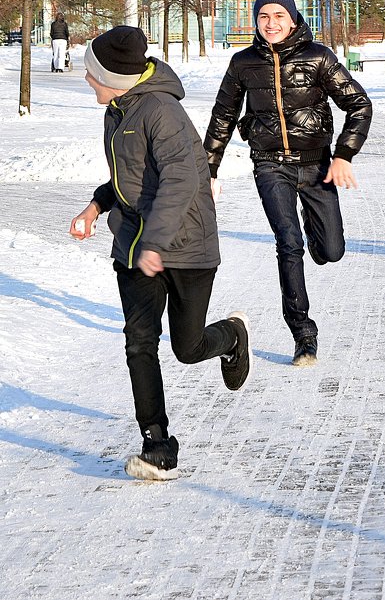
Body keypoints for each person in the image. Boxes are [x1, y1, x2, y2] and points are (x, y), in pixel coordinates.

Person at [69, 25, 251, 481]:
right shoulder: (118, 108)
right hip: (134, 245)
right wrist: (96, 207)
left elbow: (181, 181)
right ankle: (157, 444)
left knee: (187, 349)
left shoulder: (161, 111)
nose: (87, 81)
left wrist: (156, 243)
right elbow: (130, 177)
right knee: (139, 342)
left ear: (113, 76)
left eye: (92, 75)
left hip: (186, 246)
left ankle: (231, 336)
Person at [204, 0, 372, 365]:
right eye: (264, 16)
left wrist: (344, 154)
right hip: (269, 164)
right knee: (287, 241)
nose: (271, 23)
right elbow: (222, 117)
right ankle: (303, 333)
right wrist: (208, 170)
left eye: (279, 15)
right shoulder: (243, 63)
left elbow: (359, 103)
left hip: (316, 164)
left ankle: (319, 235)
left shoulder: (318, 57)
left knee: (331, 251)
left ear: (293, 18)